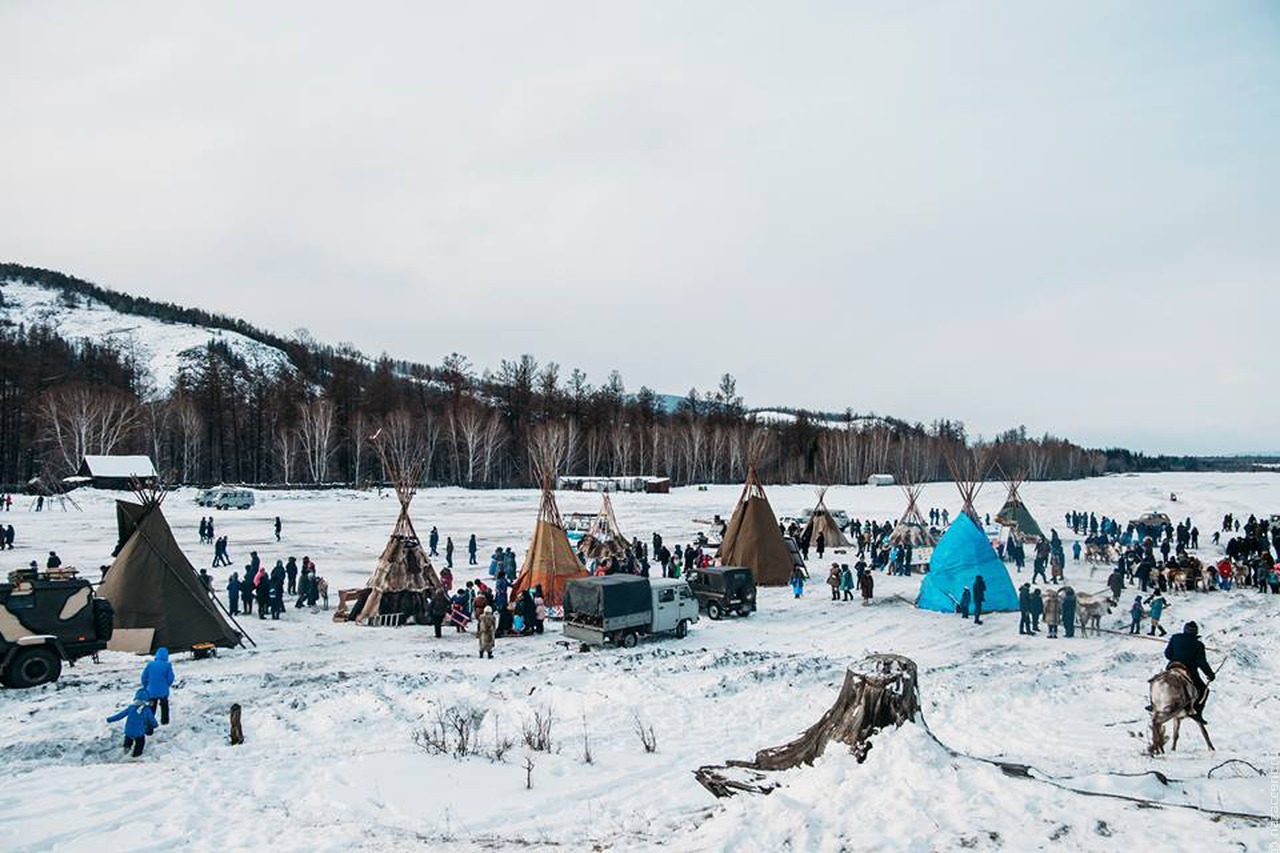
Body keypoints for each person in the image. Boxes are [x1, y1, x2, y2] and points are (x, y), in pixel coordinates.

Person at [1164, 621, 1215, 721]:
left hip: (1173, 667)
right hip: (1189, 671)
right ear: (1195, 632)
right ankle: (1196, 712)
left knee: (1157, 681)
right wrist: (1210, 674)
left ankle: (1153, 704)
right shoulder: (1199, 645)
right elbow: (1202, 662)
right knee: (1204, 690)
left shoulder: (1175, 638)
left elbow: (1168, 654)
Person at [107, 689, 159, 758]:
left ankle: (126, 749)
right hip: (139, 733)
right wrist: (155, 725)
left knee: (128, 739)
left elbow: (120, 715)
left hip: (128, 732)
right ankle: (136, 755)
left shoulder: (131, 708)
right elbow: (151, 720)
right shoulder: (146, 710)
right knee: (140, 742)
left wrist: (109, 719)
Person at [141, 647, 174, 726]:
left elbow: (143, 677)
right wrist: (166, 685)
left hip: (151, 691)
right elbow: (171, 678)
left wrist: (146, 686)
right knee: (164, 706)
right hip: (163, 691)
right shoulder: (167, 665)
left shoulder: (150, 665)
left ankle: (149, 723)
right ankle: (164, 721)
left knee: (151, 707)